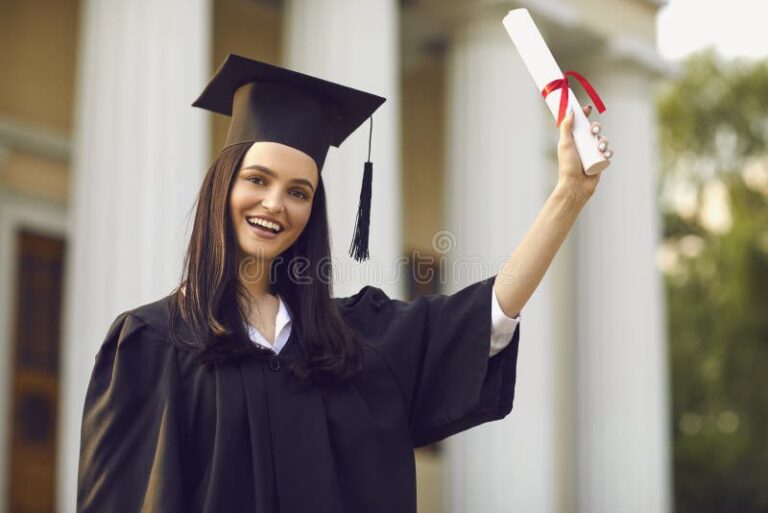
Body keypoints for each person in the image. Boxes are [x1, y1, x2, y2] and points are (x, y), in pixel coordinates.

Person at [76, 54, 612, 513]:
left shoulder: (351, 341)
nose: (274, 205)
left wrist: (568, 194)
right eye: (257, 180)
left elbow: (487, 314)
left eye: (299, 191)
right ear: (223, 185)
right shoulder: (150, 343)